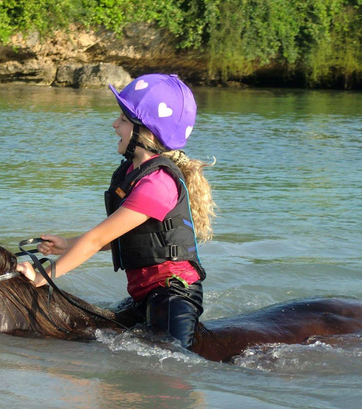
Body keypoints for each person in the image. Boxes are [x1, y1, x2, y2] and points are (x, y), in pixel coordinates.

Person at [17, 74, 216, 348]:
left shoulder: (158, 184)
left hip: (173, 296)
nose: (114, 124)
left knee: (171, 367)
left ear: (145, 132)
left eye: (123, 120)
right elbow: (126, 237)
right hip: (144, 294)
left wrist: (42, 277)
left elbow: (97, 238)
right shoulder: (132, 173)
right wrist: (66, 245)